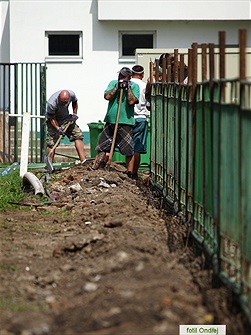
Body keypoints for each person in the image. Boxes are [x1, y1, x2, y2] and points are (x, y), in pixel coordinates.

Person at [92, 67, 139, 174]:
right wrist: (117, 87)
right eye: (120, 75)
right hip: (111, 121)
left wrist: (128, 88)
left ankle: (130, 173)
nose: (120, 78)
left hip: (126, 122)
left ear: (129, 77)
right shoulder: (113, 83)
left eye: (123, 76)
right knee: (102, 146)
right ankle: (96, 168)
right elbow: (107, 96)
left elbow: (132, 101)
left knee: (128, 150)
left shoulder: (134, 86)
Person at [46, 89, 86, 163]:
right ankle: (49, 164)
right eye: (62, 102)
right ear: (58, 97)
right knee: (52, 143)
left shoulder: (72, 94)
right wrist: (57, 128)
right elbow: (52, 118)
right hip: (54, 121)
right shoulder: (51, 103)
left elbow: (75, 102)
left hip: (67, 119)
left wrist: (74, 114)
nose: (64, 104)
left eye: (66, 102)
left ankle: (83, 160)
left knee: (78, 135)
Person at [130, 65, 150, 180]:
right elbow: (148, 106)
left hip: (128, 118)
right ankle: (134, 173)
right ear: (142, 75)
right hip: (141, 118)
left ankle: (129, 170)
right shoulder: (144, 86)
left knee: (128, 146)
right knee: (137, 148)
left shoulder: (128, 84)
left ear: (132, 74)